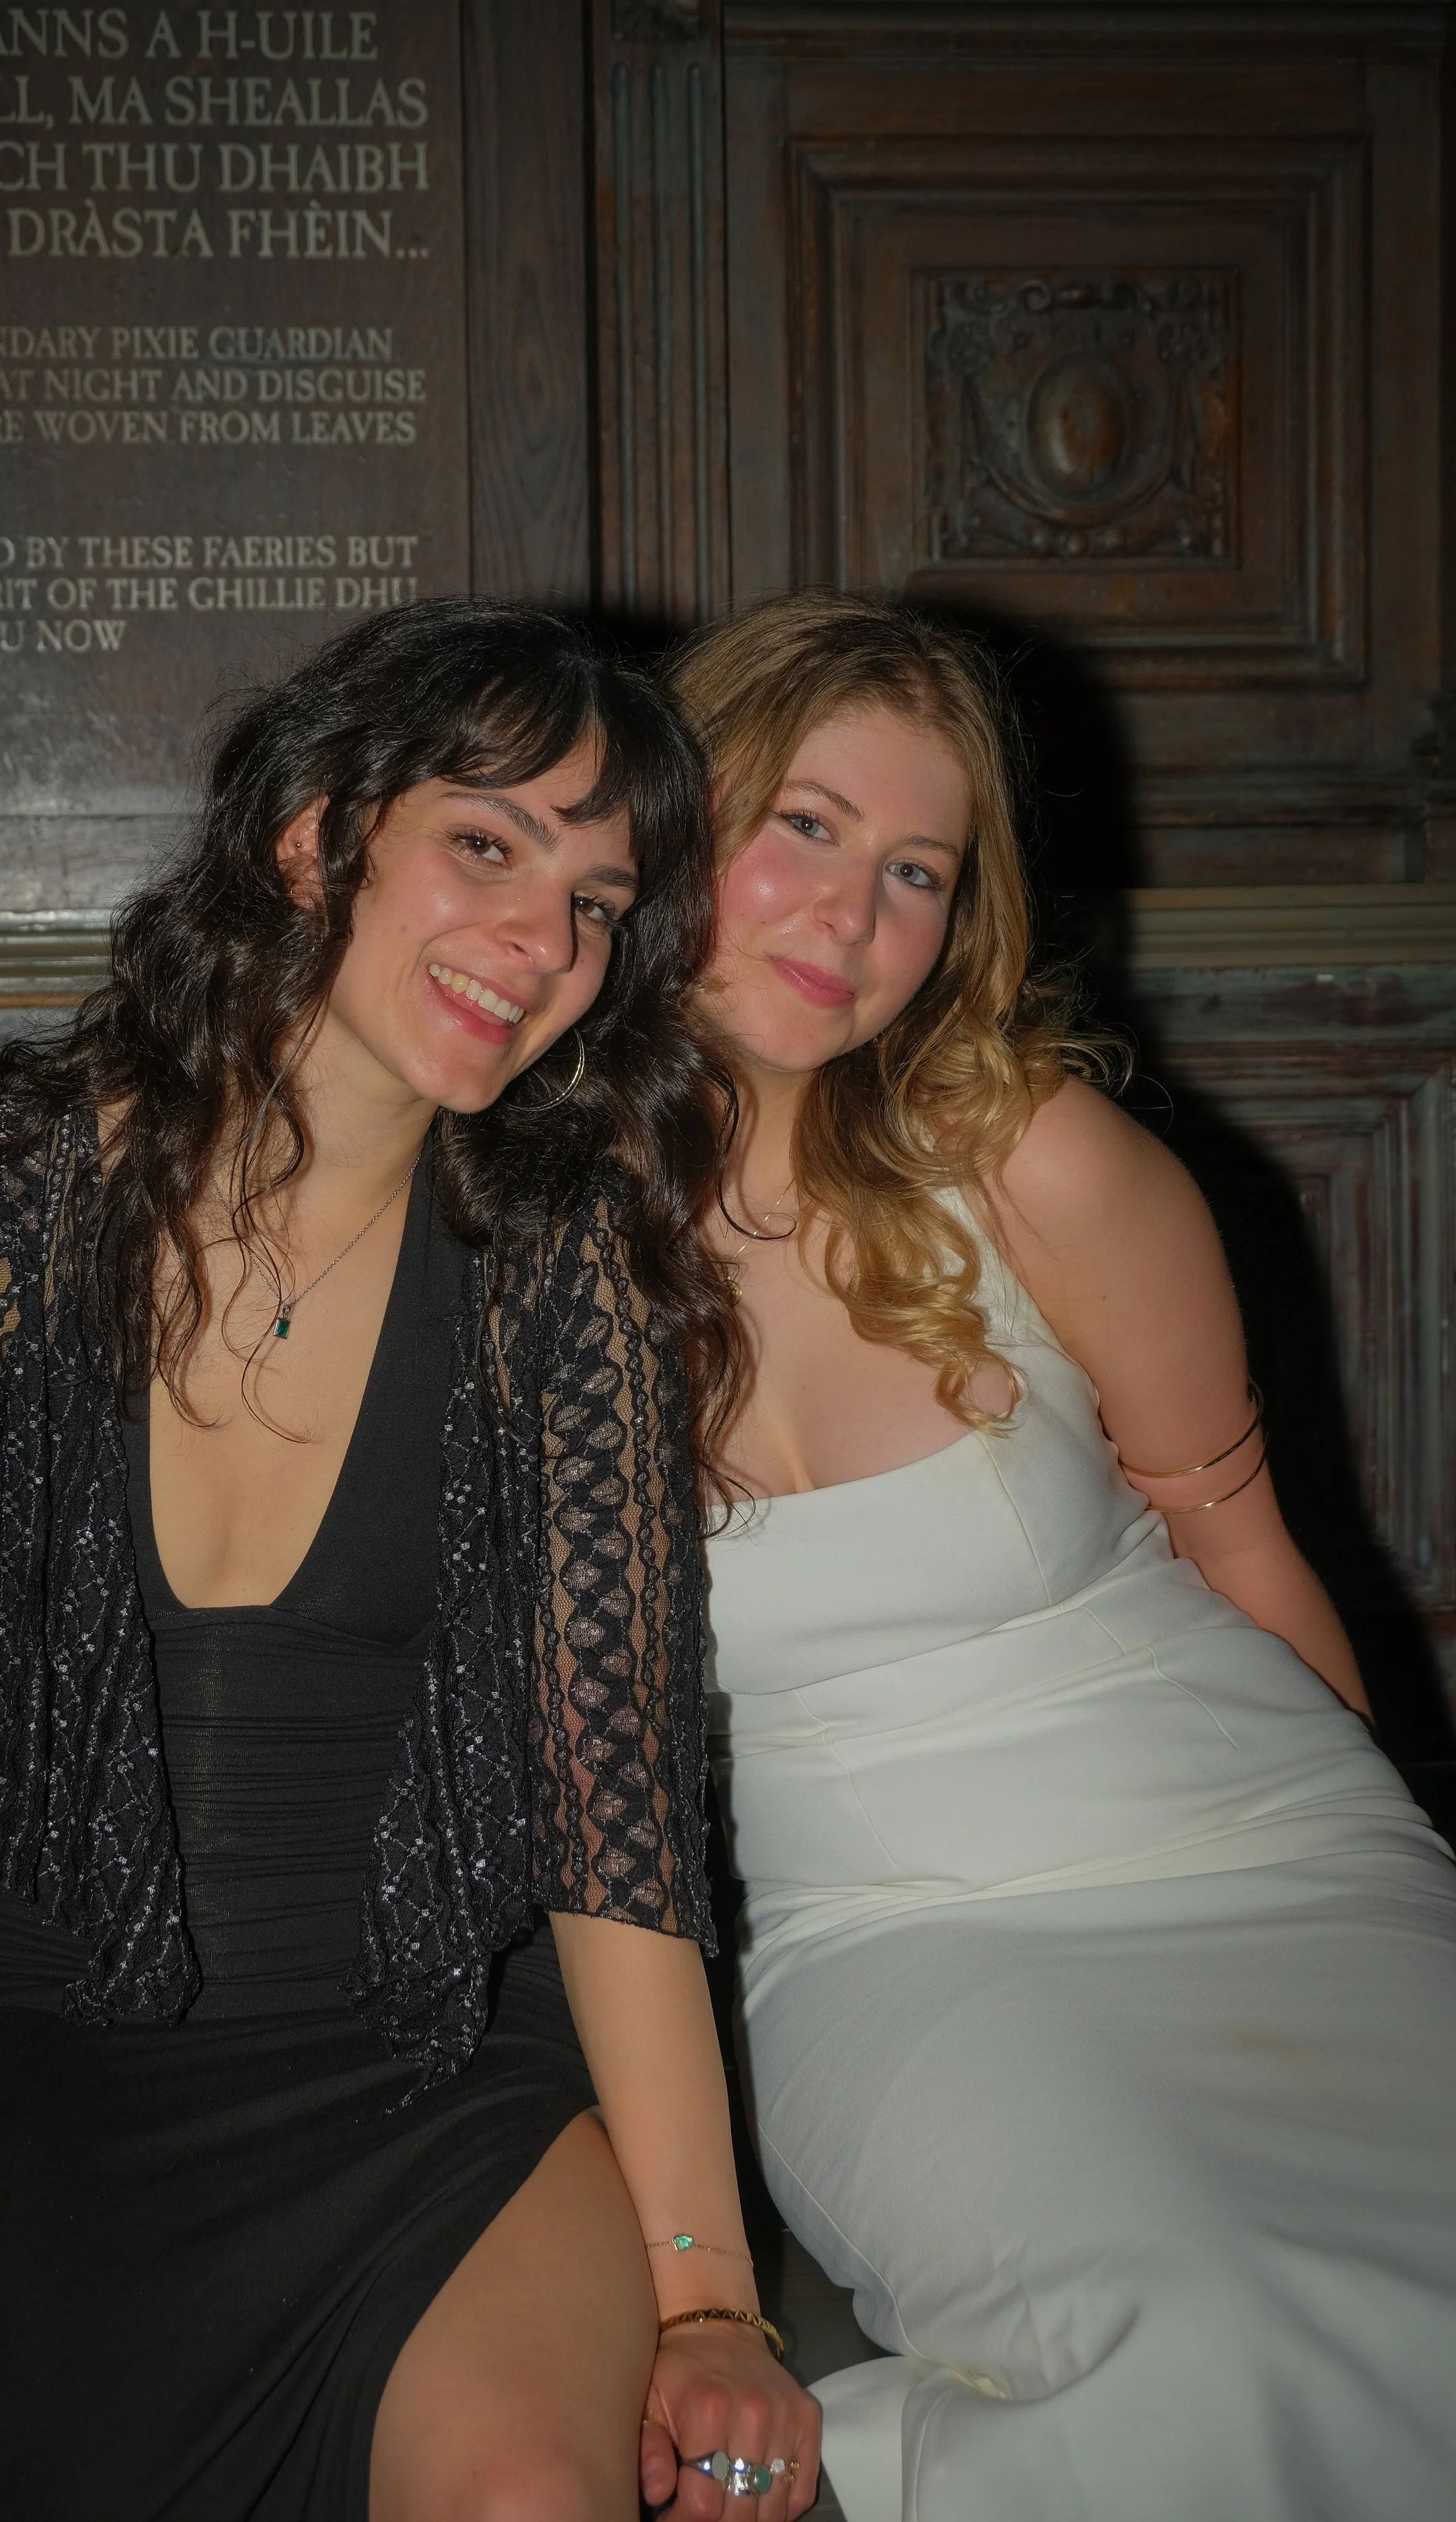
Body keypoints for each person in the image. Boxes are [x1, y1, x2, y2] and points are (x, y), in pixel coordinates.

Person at [0, 599, 821, 2522]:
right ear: (315, 834)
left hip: (439, 2071)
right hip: (52, 2077)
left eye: (598, 904)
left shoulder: (553, 1271)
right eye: (488, 845)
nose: (542, 944)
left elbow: (620, 1836)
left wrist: (709, 2307)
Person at [672, 588, 1456, 2522]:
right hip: (876, 1934)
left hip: (1255, 1843)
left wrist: (1409, 1879)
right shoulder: (492, 1233)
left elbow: (1245, 1547)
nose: (853, 915)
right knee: (1203, 2329)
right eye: (803, 823)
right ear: (668, 818)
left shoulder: (1036, 1159)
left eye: (915, 867)